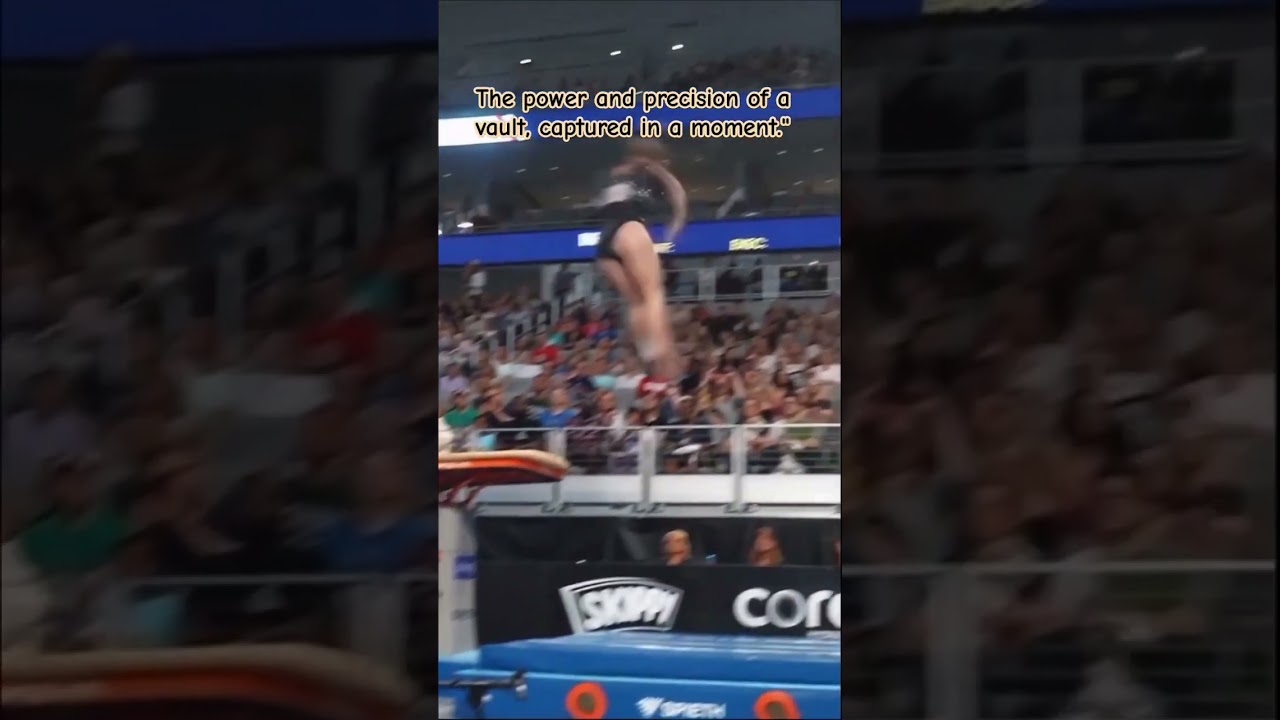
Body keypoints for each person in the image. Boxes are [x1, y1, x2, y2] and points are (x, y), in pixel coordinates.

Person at [594, 139, 686, 378]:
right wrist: (676, 223)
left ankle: (647, 355)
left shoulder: (614, 174)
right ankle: (663, 356)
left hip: (605, 244)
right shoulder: (652, 173)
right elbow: (678, 195)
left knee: (636, 301)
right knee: (653, 294)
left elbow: (605, 201)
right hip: (630, 228)